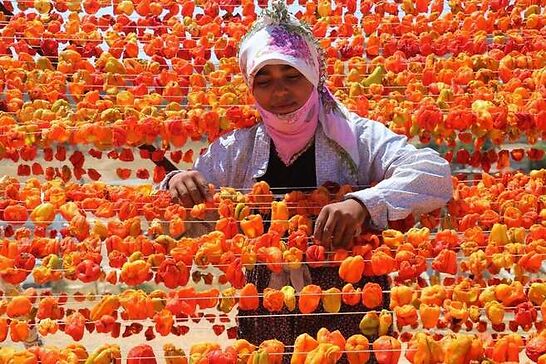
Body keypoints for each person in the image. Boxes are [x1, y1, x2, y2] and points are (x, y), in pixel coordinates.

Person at [159, 1, 452, 359]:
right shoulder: (237, 149)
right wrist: (178, 182)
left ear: (313, 75)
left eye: (292, 75)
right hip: (267, 308)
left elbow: (434, 174)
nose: (279, 92)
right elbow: (185, 206)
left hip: (353, 309)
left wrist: (362, 203)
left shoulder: (358, 138)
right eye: (264, 80)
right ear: (251, 87)